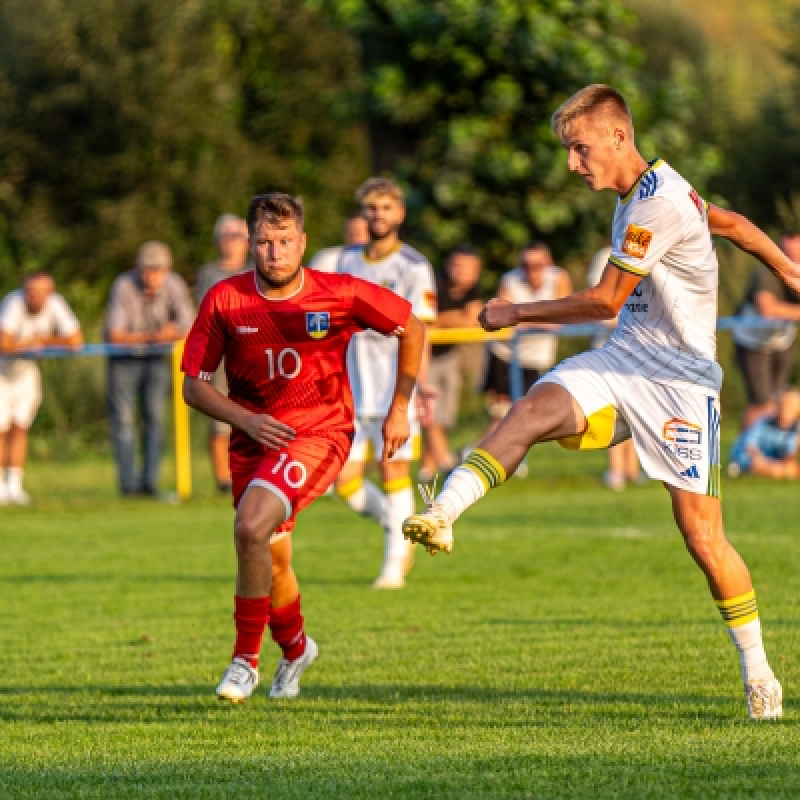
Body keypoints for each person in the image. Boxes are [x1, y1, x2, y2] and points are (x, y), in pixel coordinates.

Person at [404, 84, 800, 720]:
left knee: (703, 540)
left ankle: (759, 672)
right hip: (621, 363)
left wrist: (515, 312)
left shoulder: (658, 202)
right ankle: (444, 510)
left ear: (618, 137)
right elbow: (726, 223)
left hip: (681, 384)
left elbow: (604, 300)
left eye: (579, 148)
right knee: (530, 409)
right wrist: (786, 268)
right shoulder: (650, 190)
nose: (572, 163)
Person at [182, 192, 425, 703]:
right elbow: (194, 386)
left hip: (319, 431)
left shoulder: (339, 293)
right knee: (270, 559)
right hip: (254, 439)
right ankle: (295, 651)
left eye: (285, 242)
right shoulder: (225, 299)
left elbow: (413, 327)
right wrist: (246, 419)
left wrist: (401, 405)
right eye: (265, 243)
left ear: (303, 242)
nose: (275, 253)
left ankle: (244, 661)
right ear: (250, 243)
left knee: (249, 526)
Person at [336, 176, 437, 590]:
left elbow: (422, 333)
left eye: (386, 207)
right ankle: (401, 528)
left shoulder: (413, 267)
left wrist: (419, 388)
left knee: (393, 469)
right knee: (342, 482)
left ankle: (393, 568)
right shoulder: (345, 263)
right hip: (351, 389)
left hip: (395, 389)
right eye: (371, 207)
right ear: (362, 213)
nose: (378, 215)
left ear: (400, 213)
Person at [105, 241, 194, 496]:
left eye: (157, 270)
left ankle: (149, 483)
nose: (150, 275)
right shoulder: (123, 285)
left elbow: (188, 326)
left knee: (155, 419)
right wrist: (157, 335)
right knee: (123, 421)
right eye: (146, 269)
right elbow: (115, 335)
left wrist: (169, 334)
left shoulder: (174, 285)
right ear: (137, 268)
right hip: (123, 361)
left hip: (157, 360)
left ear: (166, 270)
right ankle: (128, 485)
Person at [0, 273, 83, 504]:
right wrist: (32, 343)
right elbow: (4, 343)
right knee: (1, 429)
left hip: (27, 374)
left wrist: (43, 340)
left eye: (40, 292)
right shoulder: (13, 303)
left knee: (20, 428)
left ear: (50, 292)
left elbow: (76, 341)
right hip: (2, 374)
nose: (34, 296)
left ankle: (14, 486)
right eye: (30, 291)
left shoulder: (56, 304)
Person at [483, 242, 571, 426]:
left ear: (549, 263)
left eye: (537, 265)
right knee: (503, 414)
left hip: (536, 357)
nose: (531, 270)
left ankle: (476, 451)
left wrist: (520, 317)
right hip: (506, 354)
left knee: (525, 415)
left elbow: (562, 316)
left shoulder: (559, 277)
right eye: (526, 265)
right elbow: (502, 319)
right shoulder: (510, 280)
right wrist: (543, 318)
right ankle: (480, 452)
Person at [195, 214, 251, 493]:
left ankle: (254, 470)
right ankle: (223, 481)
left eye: (237, 237)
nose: (231, 243)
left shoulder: (257, 271)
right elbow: (208, 313)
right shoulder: (208, 274)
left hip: (254, 354)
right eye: (227, 237)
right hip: (221, 355)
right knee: (220, 420)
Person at [419, 245, 484, 482]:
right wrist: (454, 319)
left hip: (449, 355)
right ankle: (447, 464)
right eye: (458, 265)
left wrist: (443, 320)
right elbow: (424, 320)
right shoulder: (432, 283)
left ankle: (428, 468)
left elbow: (471, 320)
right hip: (424, 356)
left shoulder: (474, 289)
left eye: (468, 267)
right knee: (430, 413)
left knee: (445, 415)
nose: (462, 272)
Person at [586, 243, 643, 491]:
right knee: (615, 408)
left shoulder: (649, 248)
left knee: (635, 409)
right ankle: (616, 469)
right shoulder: (607, 256)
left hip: (639, 347)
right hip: (611, 346)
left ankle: (632, 469)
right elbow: (602, 302)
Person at [732, 232, 800, 430]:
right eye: (788, 252)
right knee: (760, 402)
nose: (793, 258)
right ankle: (741, 457)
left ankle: (768, 453)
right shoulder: (766, 273)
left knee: (778, 400)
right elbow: (767, 309)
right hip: (753, 341)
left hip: (782, 340)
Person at [728, 389, 800, 479]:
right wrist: (761, 460)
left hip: (774, 460)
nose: (785, 410)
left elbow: (788, 456)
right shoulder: (764, 421)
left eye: (790, 408)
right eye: (783, 406)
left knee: (786, 468)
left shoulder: (794, 429)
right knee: (752, 462)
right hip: (751, 456)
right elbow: (749, 445)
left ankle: (774, 471)